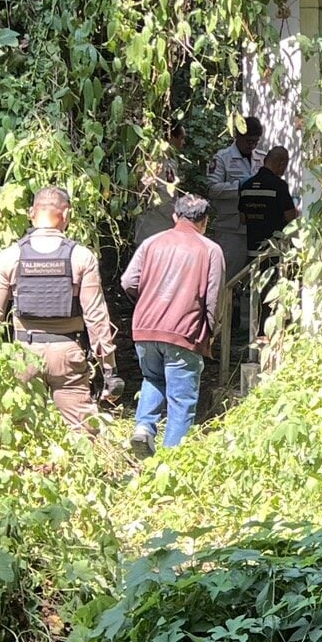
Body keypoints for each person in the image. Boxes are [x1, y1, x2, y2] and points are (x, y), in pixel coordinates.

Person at [0, 186, 121, 433]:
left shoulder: (8, 257)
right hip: (67, 355)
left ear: (31, 213)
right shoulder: (81, 257)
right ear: (67, 215)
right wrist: (109, 369)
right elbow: (96, 318)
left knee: (18, 431)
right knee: (83, 432)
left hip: (23, 354)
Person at [121, 191, 225, 455]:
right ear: (205, 221)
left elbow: (128, 281)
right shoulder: (211, 250)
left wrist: (148, 303)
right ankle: (171, 458)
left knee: (152, 378)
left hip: (145, 328)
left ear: (175, 216)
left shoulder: (151, 243)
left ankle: (143, 428)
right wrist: (211, 333)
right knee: (181, 399)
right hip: (183, 331)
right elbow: (214, 299)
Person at [239, 146, 299, 338]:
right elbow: (291, 218)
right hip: (274, 252)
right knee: (273, 295)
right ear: (281, 163)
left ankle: (254, 335)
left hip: (252, 249)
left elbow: (242, 218)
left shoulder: (247, 185)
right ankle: (271, 335)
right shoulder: (279, 186)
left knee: (256, 294)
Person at [205, 115, 262, 284]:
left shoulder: (263, 157)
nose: (252, 145)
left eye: (256, 141)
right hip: (230, 229)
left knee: (253, 280)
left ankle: (245, 311)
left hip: (256, 227)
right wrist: (239, 187)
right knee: (227, 279)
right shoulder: (222, 158)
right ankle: (221, 311)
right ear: (238, 136)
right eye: (248, 141)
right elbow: (212, 189)